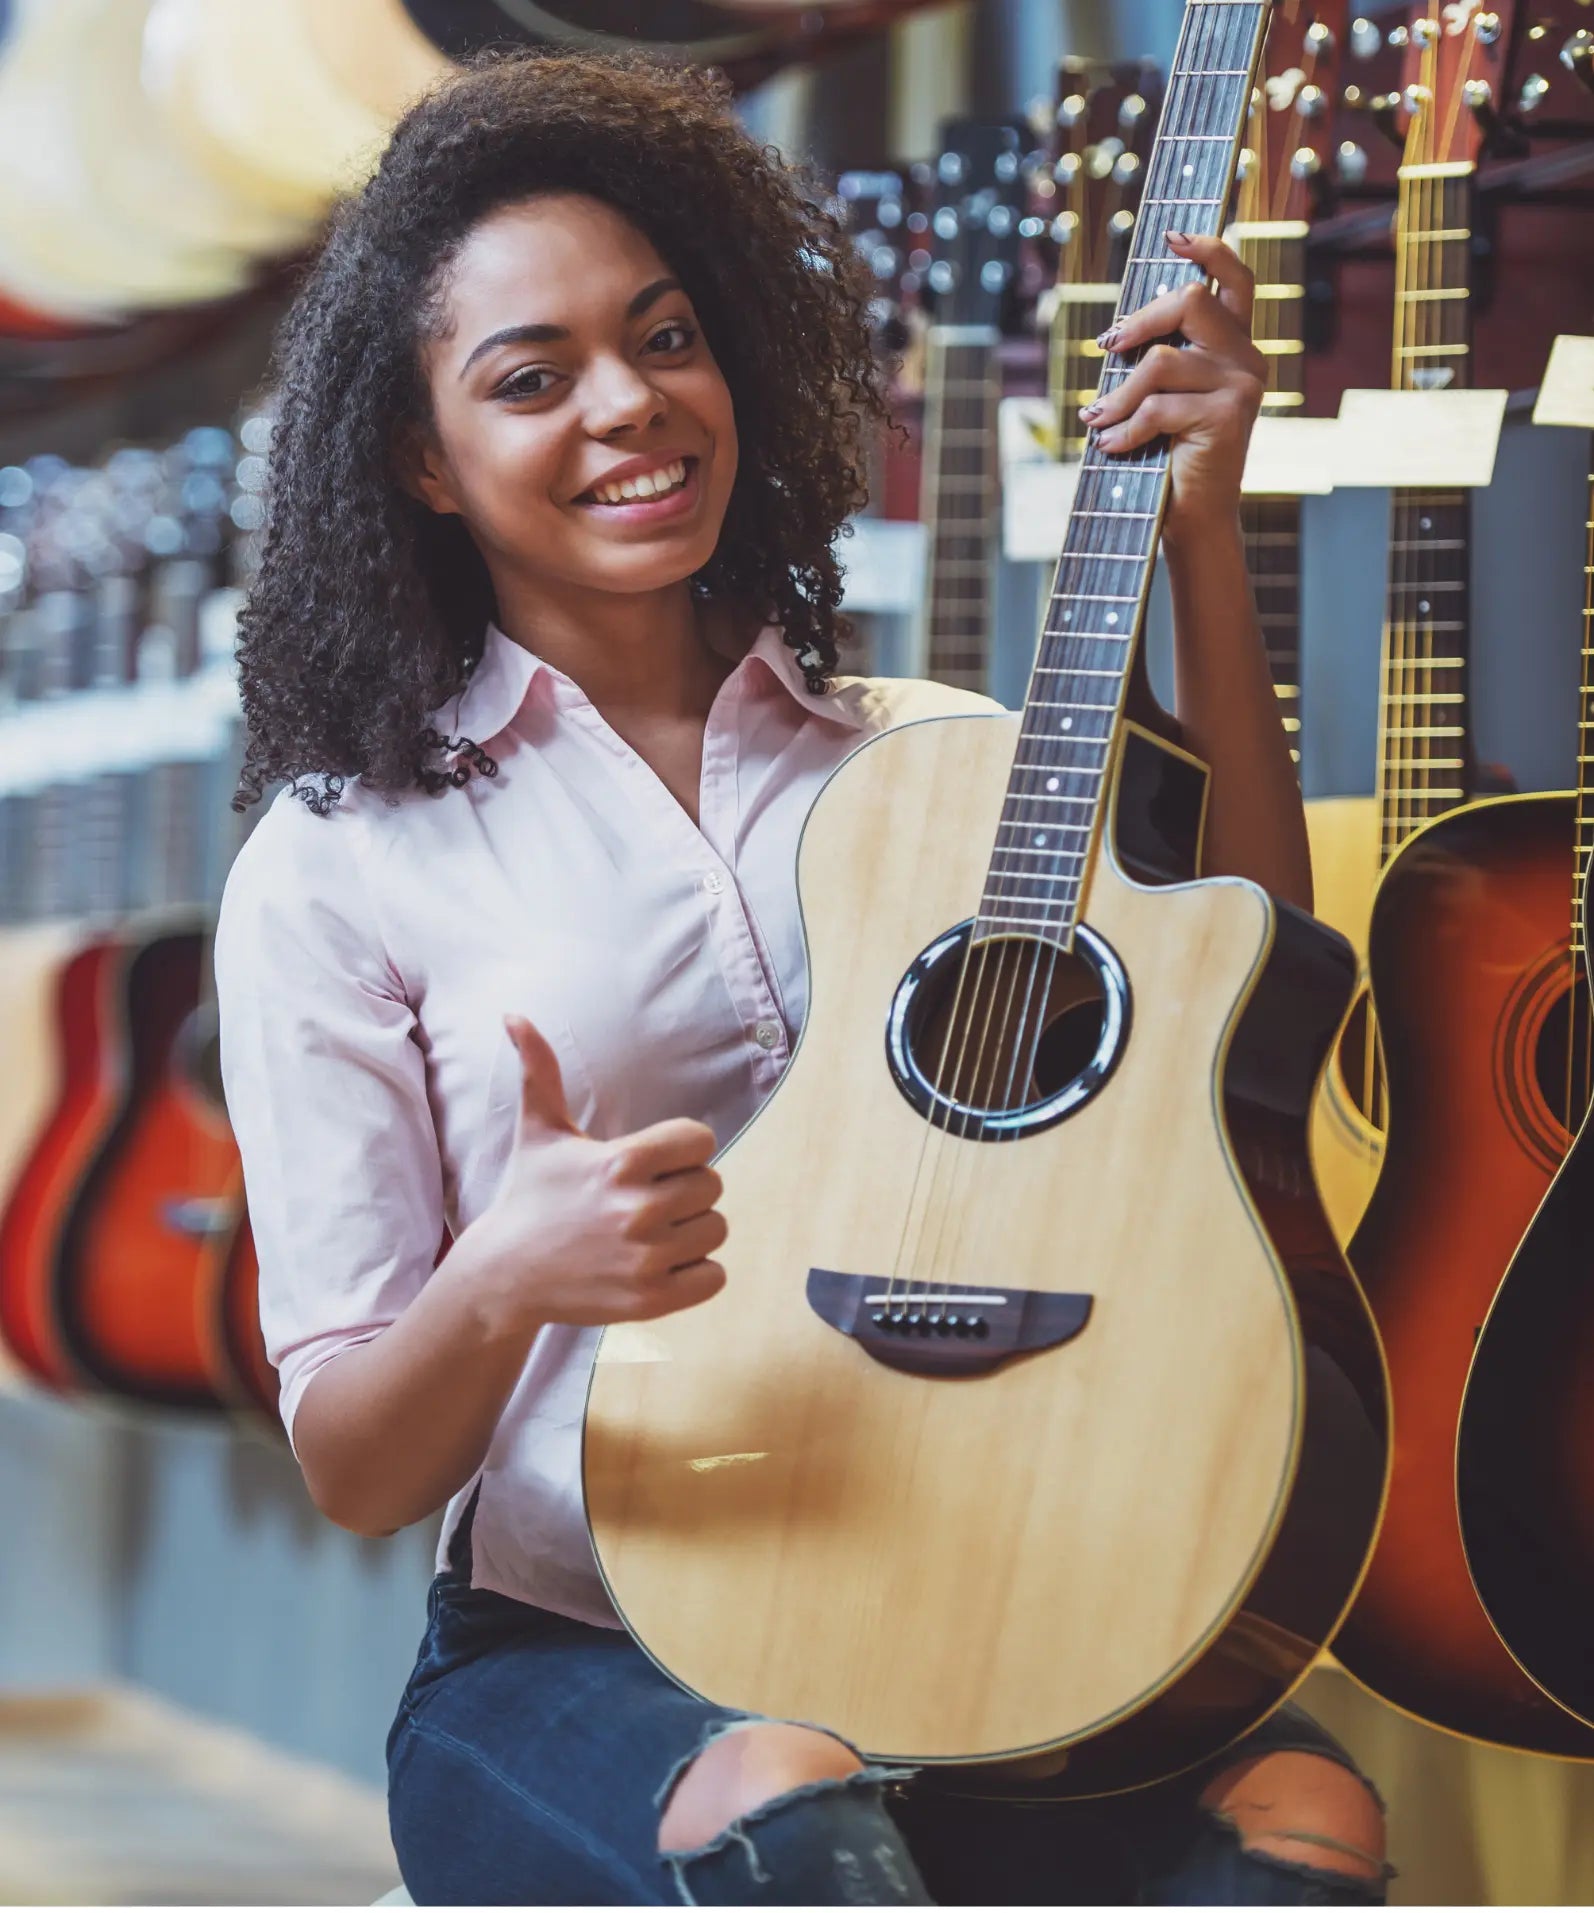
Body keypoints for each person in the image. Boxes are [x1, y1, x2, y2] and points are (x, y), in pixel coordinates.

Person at [215, 49, 1389, 1908]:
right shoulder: (341, 859)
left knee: (1305, 1825)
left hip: (1005, 1607)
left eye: (664, 336)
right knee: (788, 1803)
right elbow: (357, 1462)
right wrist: (509, 1274)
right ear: (420, 461)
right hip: (585, 1656)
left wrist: (1201, 545)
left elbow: (1244, 979)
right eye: (533, 378)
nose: (630, 405)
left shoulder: (927, 761)